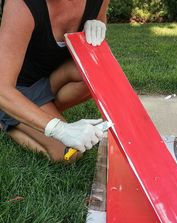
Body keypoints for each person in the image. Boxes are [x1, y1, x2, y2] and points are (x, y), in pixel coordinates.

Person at [0, 0, 110, 161]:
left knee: (93, 72)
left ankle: (36, 115)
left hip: (49, 81)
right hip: (16, 91)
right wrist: (59, 129)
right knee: (69, 154)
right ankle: (7, 121)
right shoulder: (22, 4)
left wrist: (99, 23)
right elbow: (2, 89)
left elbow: (101, 18)